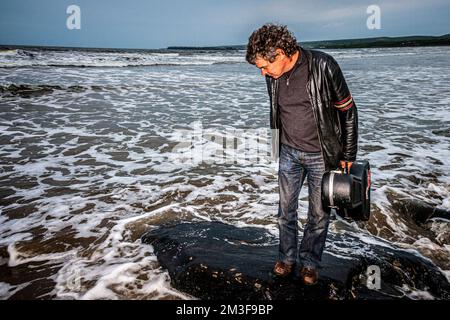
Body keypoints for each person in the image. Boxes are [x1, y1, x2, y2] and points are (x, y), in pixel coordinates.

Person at [246, 24, 358, 285]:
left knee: (319, 216)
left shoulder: (323, 66)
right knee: (285, 211)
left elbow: (348, 111)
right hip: (288, 153)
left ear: (282, 53)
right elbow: (278, 111)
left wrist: (348, 154)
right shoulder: (272, 75)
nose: (262, 72)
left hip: (322, 155)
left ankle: (310, 263)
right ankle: (287, 258)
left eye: (264, 66)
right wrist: (276, 145)